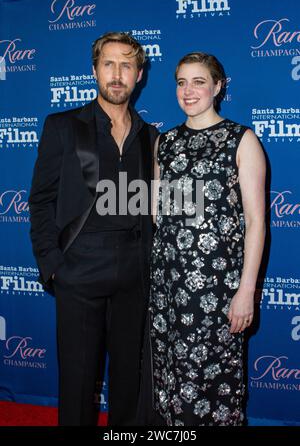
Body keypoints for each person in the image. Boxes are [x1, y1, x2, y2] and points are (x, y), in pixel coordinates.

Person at [29, 32, 157, 426]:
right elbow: (41, 200)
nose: (116, 74)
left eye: (126, 65)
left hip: (134, 271)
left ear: (138, 75)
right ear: (94, 71)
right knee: (78, 380)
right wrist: (53, 263)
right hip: (79, 269)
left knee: (128, 382)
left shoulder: (151, 137)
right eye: (108, 64)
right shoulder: (64, 126)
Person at [145, 52, 266, 426]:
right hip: (168, 286)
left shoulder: (241, 140)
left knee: (216, 384)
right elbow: (156, 212)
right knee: (171, 382)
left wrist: (246, 291)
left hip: (217, 289)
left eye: (198, 81)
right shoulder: (164, 142)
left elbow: (256, 223)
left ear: (218, 86)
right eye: (181, 82)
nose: (188, 90)